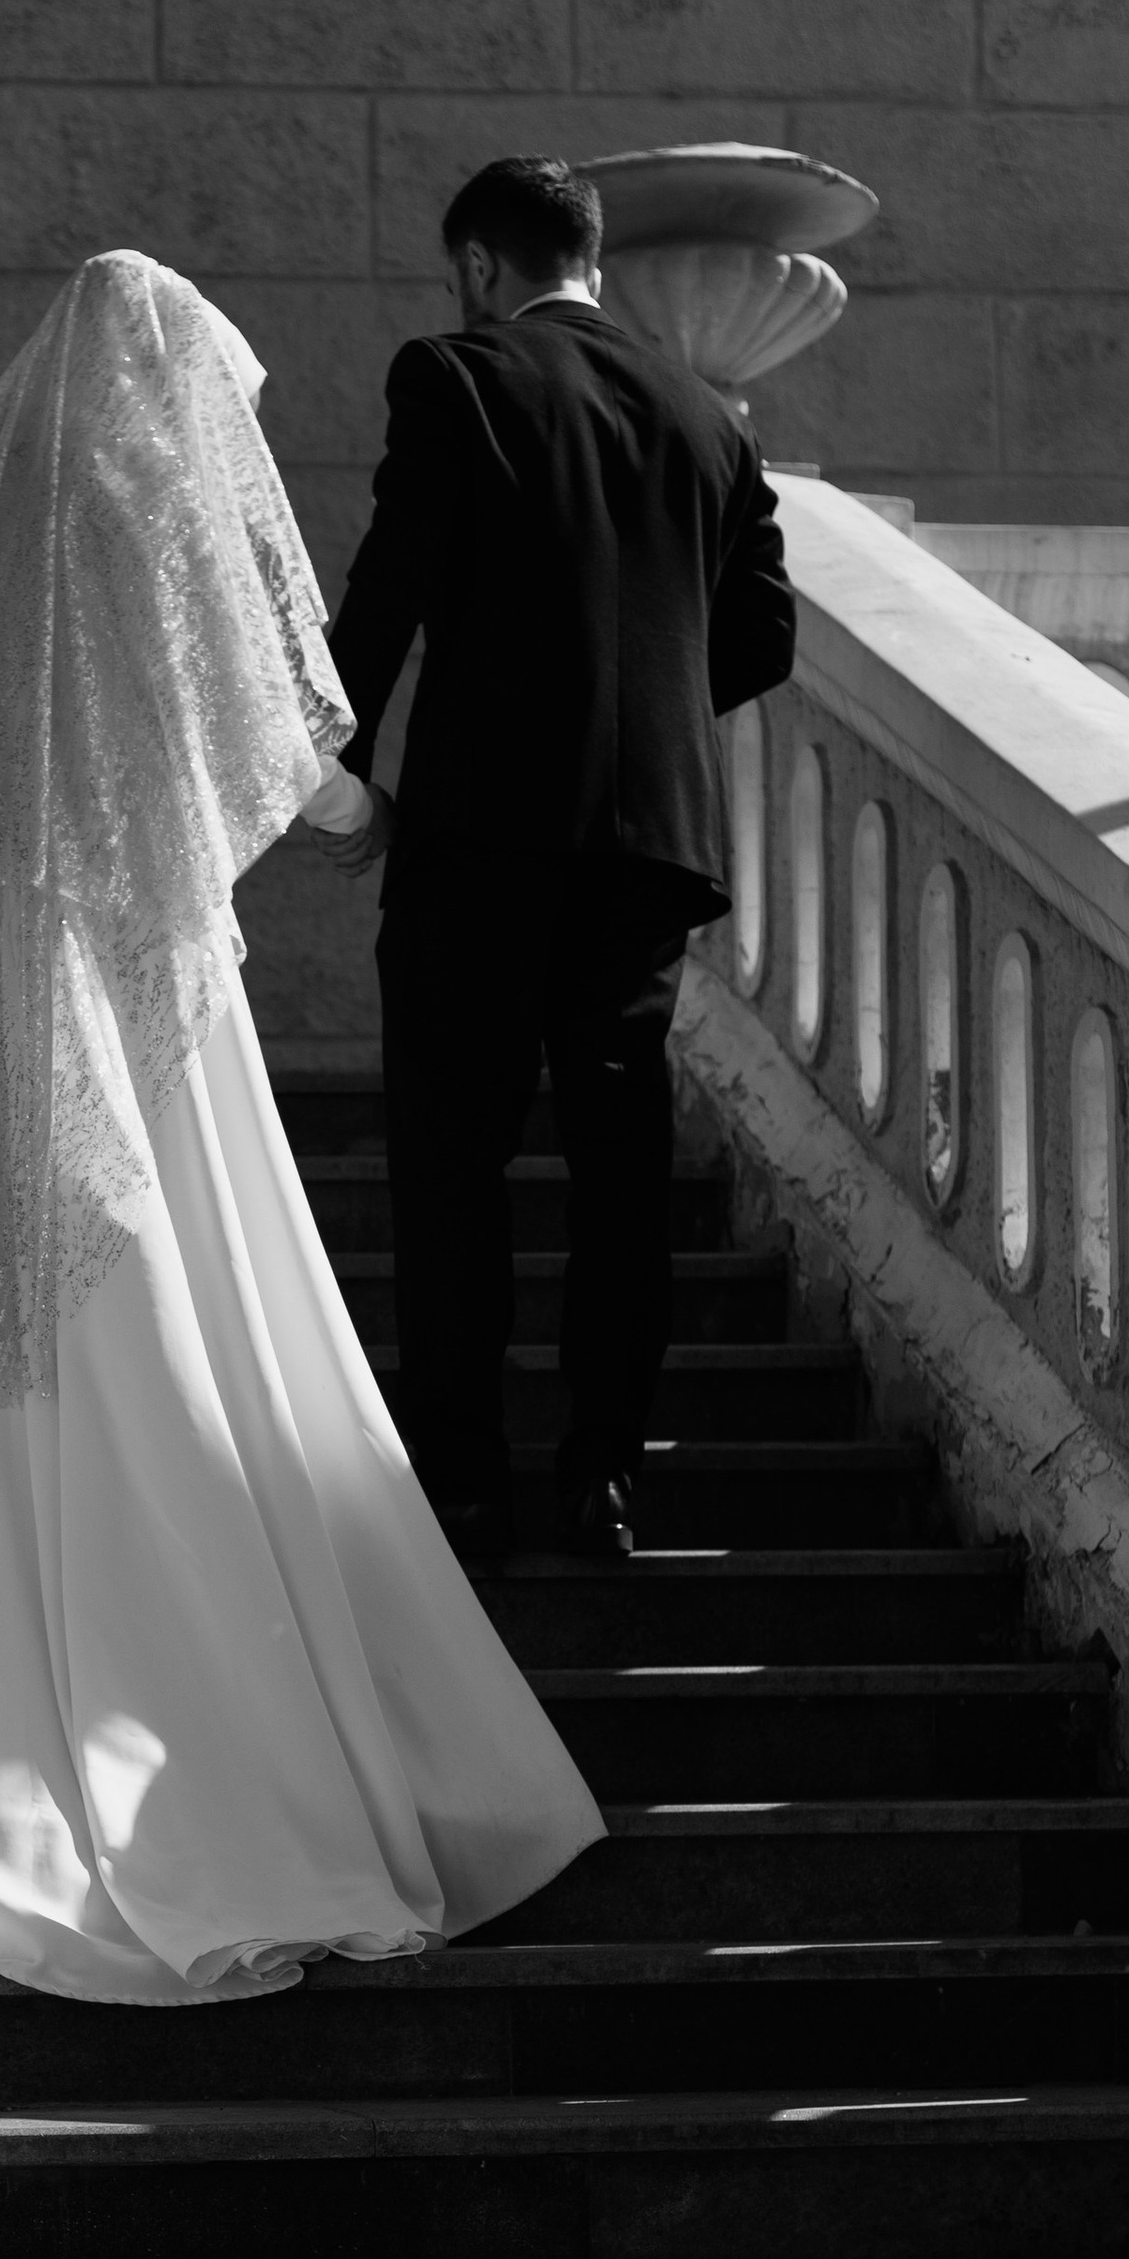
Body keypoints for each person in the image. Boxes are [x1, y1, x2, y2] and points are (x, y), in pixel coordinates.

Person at [0, 250, 602, 2006]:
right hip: (121, 1007)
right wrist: (369, 818)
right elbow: (270, 739)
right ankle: (211, 1776)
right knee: (183, 1352)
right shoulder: (142, 511)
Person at [318, 155, 798, 1564]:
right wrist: (633, 718)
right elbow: (762, 636)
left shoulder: (456, 378)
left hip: (480, 838)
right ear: (592, 259)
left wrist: (336, 776)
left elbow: (388, 591)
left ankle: (464, 1480)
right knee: (620, 1155)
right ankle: (604, 1473)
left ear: (480, 266)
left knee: (452, 1155)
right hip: (648, 848)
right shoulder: (710, 419)